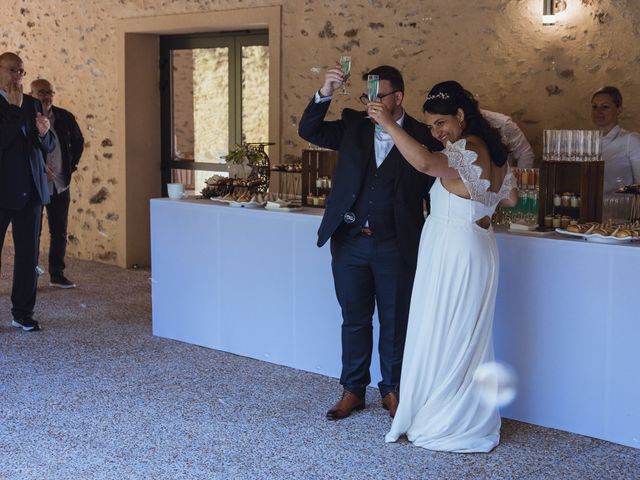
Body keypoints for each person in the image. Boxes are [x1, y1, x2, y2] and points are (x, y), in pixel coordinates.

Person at [367, 85, 517, 452]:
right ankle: (466, 410)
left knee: (445, 332)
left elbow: (422, 162)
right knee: (465, 334)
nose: (436, 132)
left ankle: (445, 418)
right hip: (478, 247)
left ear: (462, 116)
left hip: (455, 252)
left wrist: (388, 123)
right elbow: (510, 197)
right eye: (432, 126)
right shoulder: (494, 152)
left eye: (442, 123)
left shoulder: (471, 148)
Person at [298, 65, 441, 420]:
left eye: (379, 95)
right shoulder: (352, 126)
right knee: (354, 318)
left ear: (399, 97)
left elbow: (442, 176)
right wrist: (325, 91)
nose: (372, 102)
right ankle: (353, 390)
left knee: (395, 320)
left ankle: (392, 390)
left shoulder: (425, 135)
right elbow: (309, 130)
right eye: (368, 95)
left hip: (397, 243)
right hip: (350, 242)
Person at [0, 52, 54, 332]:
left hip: (31, 191)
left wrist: (45, 133)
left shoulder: (33, 103)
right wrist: (11, 108)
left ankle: (23, 313)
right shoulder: (10, 104)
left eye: (21, 72)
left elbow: (47, 145)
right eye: (12, 70)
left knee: (28, 256)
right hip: (1, 192)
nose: (18, 77)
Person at [30, 78, 84, 288]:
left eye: (50, 92)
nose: (47, 96)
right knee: (33, 232)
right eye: (42, 92)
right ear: (31, 94)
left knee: (59, 231)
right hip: (35, 183)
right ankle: (30, 275)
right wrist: (40, 167)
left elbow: (78, 142)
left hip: (61, 183)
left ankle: (57, 274)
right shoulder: (26, 117)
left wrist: (70, 166)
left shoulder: (64, 117)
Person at [428, 81, 534, 167]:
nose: (436, 133)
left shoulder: (502, 124)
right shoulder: (443, 136)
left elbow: (525, 153)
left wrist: (517, 185)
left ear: (460, 115)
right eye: (430, 127)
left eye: (440, 122)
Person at [590, 86, 640, 194]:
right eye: (594, 107)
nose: (598, 111)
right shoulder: (588, 142)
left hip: (620, 208)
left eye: (605, 107)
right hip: (590, 209)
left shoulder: (630, 140)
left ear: (619, 110)